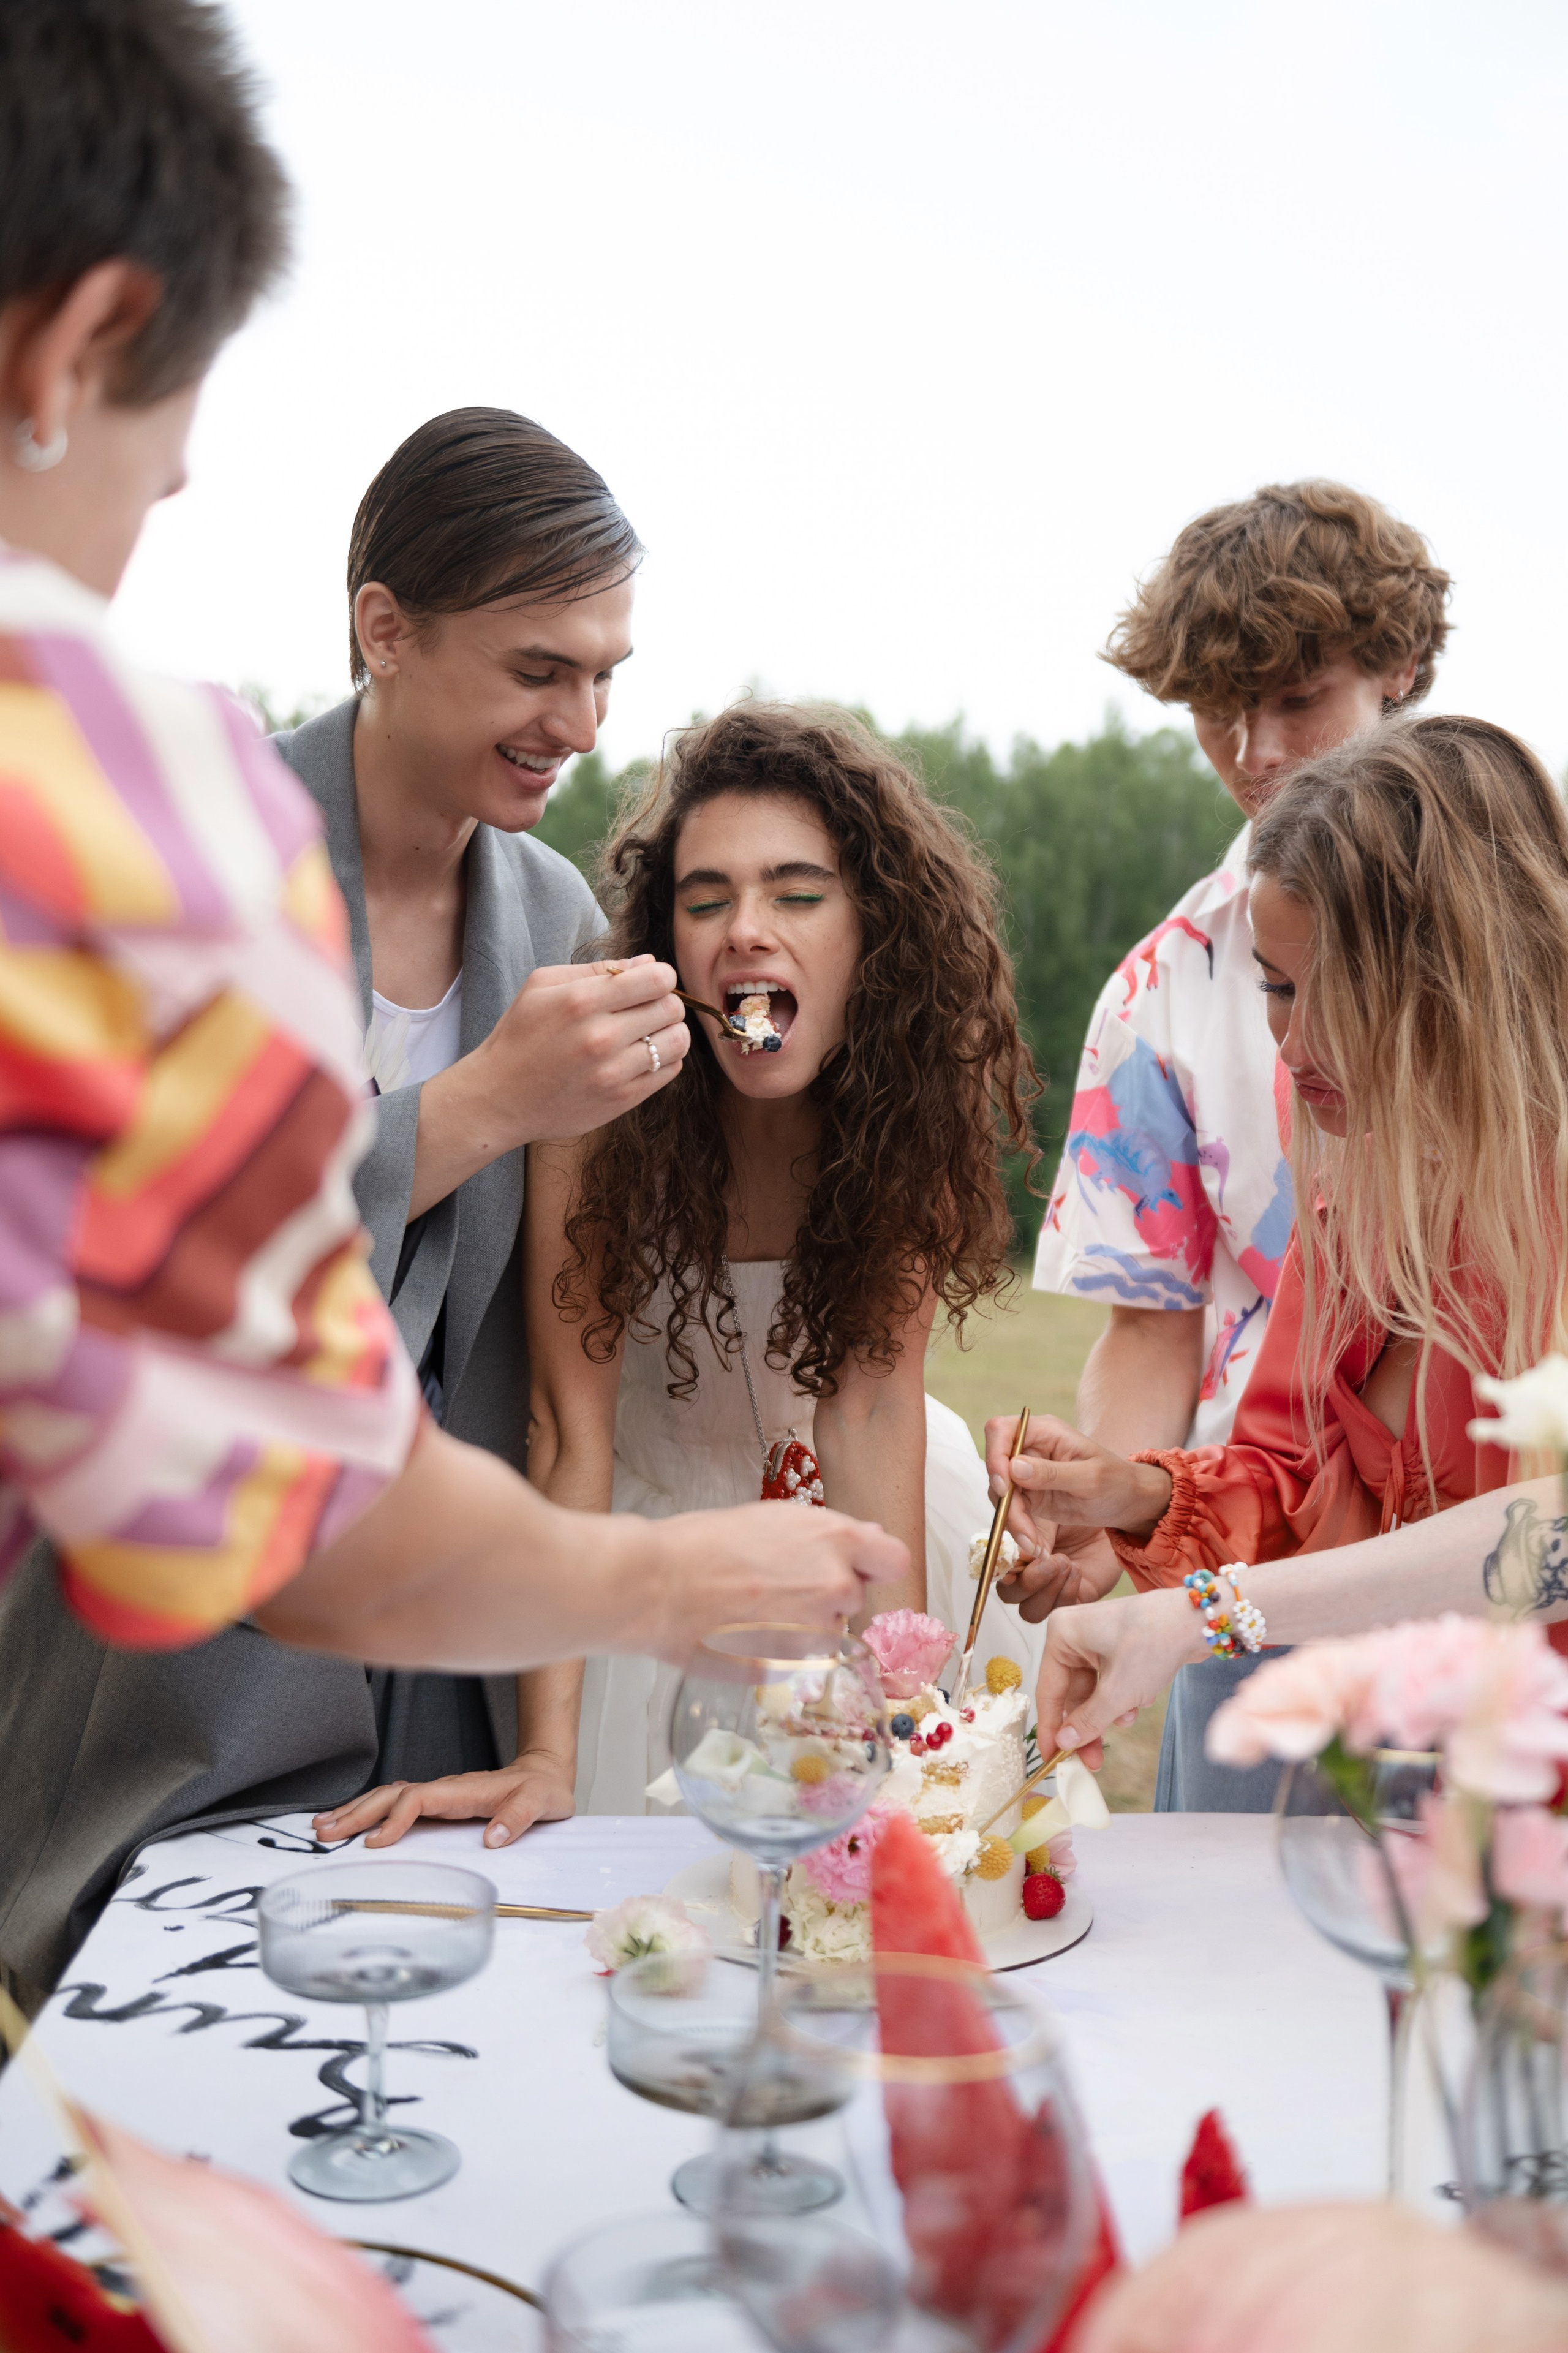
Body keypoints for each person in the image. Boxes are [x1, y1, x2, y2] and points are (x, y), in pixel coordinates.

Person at [0, 0, 901, 2006]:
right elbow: (211, 1388)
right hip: (164, 1714)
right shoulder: (142, 815)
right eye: (534, 671)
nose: (581, 722)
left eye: (609, 673)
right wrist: (475, 1110)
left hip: (421, 1700)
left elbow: (553, 1351)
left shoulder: (562, 902)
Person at [326, 700, 1044, 1841]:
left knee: (885, 1862)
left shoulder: (906, 1112)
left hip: (864, 1532)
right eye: (707, 899)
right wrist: (548, 1754)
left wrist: (905, 1721)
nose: (746, 930)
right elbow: (570, 1427)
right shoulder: (603, 1113)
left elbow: (867, 1408)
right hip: (641, 1547)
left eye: (797, 893)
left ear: (873, 928)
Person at [991, 713, 1568, 1800]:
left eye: (1334, 994)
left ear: (1463, 979)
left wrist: (1207, 1612)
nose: (1293, 1050)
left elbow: (1546, 1541)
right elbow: (1302, 1482)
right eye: (1276, 987)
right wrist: (1133, 1496)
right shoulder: (1360, 1180)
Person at [1025, 485, 1450, 1804]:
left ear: (1398, 671)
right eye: (1217, 710)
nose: (1257, 750)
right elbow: (1150, 1329)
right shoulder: (1159, 988)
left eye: (1295, 699)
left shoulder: (1525, 956)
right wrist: (1118, 1516)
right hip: (1246, 1585)